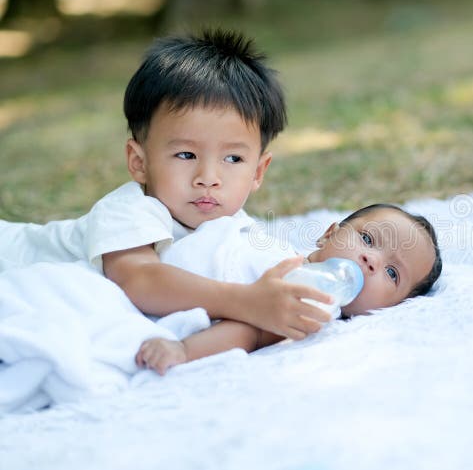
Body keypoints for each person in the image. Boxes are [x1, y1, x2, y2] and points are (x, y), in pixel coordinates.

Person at [0, 28, 333, 341]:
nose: (208, 177)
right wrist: (246, 301)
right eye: (186, 154)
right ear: (139, 162)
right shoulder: (129, 210)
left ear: (258, 172)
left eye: (233, 159)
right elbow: (140, 280)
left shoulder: (233, 228)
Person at [136, 204, 443, 375]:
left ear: (395, 307)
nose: (371, 260)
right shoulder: (282, 253)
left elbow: (249, 332)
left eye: (392, 273)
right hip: (154, 262)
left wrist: (184, 350)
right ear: (327, 234)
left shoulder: (317, 305)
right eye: (367, 239)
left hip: (157, 295)